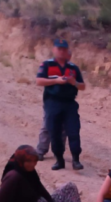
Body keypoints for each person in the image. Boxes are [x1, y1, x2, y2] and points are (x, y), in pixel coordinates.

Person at [36, 39, 86, 171]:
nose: (62, 51)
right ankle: (59, 159)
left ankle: (76, 159)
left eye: (64, 49)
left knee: (73, 131)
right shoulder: (46, 64)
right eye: (59, 49)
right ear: (54, 49)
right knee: (54, 131)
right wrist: (56, 81)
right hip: (53, 101)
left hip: (69, 103)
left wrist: (73, 82)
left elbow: (82, 86)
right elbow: (39, 81)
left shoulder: (73, 68)